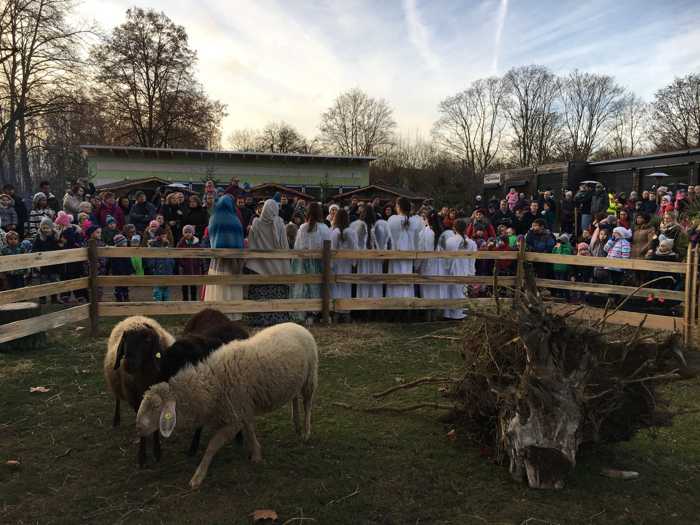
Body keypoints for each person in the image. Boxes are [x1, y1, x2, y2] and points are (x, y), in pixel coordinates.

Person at [245, 199, 292, 326]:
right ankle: (278, 317)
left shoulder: (256, 223)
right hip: (278, 266)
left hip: (259, 266)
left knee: (260, 293)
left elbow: (251, 243)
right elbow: (284, 246)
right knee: (277, 292)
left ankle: (259, 318)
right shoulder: (280, 224)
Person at [204, 194, 245, 317]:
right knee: (232, 286)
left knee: (218, 285)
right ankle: (234, 314)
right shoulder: (236, 220)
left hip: (217, 259)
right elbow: (240, 239)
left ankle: (216, 314)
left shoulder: (214, 218)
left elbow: (211, 238)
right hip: (234, 259)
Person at [293, 202, 331, 323]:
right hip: (320, 262)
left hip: (305, 262)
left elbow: (297, 246)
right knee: (318, 287)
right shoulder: (324, 228)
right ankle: (317, 312)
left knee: (306, 287)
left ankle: (307, 312)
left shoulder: (303, 227)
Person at [387, 197, 421, 299]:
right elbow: (418, 241)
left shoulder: (392, 220)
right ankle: (407, 302)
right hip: (409, 255)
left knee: (394, 279)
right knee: (407, 278)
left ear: (398, 207)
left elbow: (388, 237)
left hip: (395, 254)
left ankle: (394, 303)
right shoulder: (416, 221)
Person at [443, 219, 476, 320]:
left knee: (450, 293)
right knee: (461, 292)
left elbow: (445, 259)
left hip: (451, 271)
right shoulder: (472, 243)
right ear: (466, 229)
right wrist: (471, 273)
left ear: (454, 228)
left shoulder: (449, 241)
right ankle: (460, 314)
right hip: (465, 271)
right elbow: (472, 261)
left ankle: (449, 314)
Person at [330, 208, 358, 322]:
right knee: (346, 285)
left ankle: (336, 310)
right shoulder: (351, 231)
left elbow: (332, 249)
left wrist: (331, 264)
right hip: (346, 262)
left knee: (336, 285)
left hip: (337, 263)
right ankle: (346, 311)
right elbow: (355, 248)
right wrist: (354, 262)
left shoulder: (334, 232)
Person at [353, 205, 384, 299]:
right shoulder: (378, 227)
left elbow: (356, 243)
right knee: (375, 282)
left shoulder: (359, 226)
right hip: (375, 257)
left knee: (364, 281)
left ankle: (362, 305)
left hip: (364, 257)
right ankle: (375, 304)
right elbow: (381, 243)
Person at [417, 210, 443, 318]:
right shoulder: (441, 232)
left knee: (427, 289)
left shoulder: (424, 232)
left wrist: (417, 265)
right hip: (438, 265)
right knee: (436, 289)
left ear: (427, 219)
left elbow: (421, 250)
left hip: (427, 264)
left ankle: (428, 315)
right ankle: (435, 315)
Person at [32, 217, 60, 304]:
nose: (45, 230)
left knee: (54, 280)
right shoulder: (39, 238)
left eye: (47, 228)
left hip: (53, 263)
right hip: (43, 263)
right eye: (43, 228)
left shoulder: (55, 237)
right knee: (43, 281)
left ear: (51, 228)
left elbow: (57, 247)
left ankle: (54, 298)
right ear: (41, 228)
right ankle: (42, 298)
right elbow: (34, 249)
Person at [176, 225, 204, 301]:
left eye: (189, 232)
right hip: (184, 267)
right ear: (183, 233)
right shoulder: (181, 243)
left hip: (195, 267)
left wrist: (199, 263)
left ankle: (193, 300)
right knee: (184, 285)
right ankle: (185, 300)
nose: (187, 234)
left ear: (193, 233)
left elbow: (200, 254)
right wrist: (181, 264)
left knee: (193, 286)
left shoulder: (197, 243)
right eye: (186, 232)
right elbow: (177, 255)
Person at [146, 230, 175, 301]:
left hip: (167, 273)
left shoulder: (167, 247)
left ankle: (165, 308)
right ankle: (158, 308)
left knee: (166, 294)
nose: (164, 238)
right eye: (163, 236)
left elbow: (171, 260)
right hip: (157, 273)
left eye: (165, 236)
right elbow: (150, 263)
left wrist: (171, 265)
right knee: (158, 293)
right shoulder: (153, 248)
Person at [108, 234, 133, 302]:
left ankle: (126, 296)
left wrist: (131, 270)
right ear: (119, 244)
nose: (126, 244)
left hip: (125, 271)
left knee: (125, 286)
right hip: (117, 272)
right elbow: (110, 263)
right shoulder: (113, 252)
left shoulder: (126, 251)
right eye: (124, 242)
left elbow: (129, 261)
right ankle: (118, 297)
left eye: (125, 242)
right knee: (118, 286)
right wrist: (109, 271)